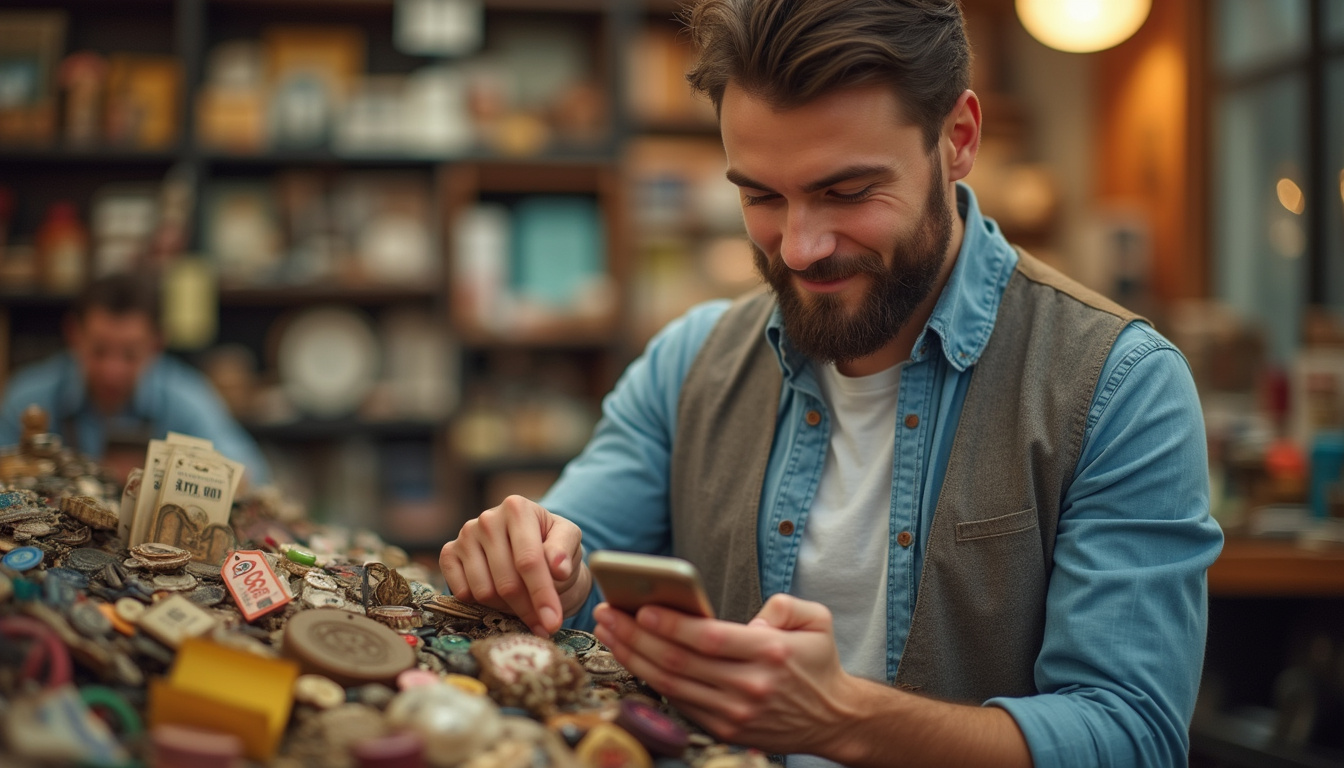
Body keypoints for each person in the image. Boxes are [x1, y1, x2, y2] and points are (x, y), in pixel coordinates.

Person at [439, 1, 1223, 765]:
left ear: (957, 138)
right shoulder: (688, 363)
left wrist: (841, 720)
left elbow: (1132, 737)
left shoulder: (1118, 386)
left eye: (847, 192)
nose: (802, 248)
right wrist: (537, 561)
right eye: (760, 197)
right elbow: (571, 569)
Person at [0, 273, 271, 486]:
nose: (112, 371)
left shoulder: (186, 397)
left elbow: (250, 475)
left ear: (156, 344)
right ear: (74, 334)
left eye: (130, 354)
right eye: (99, 350)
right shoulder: (28, 397)